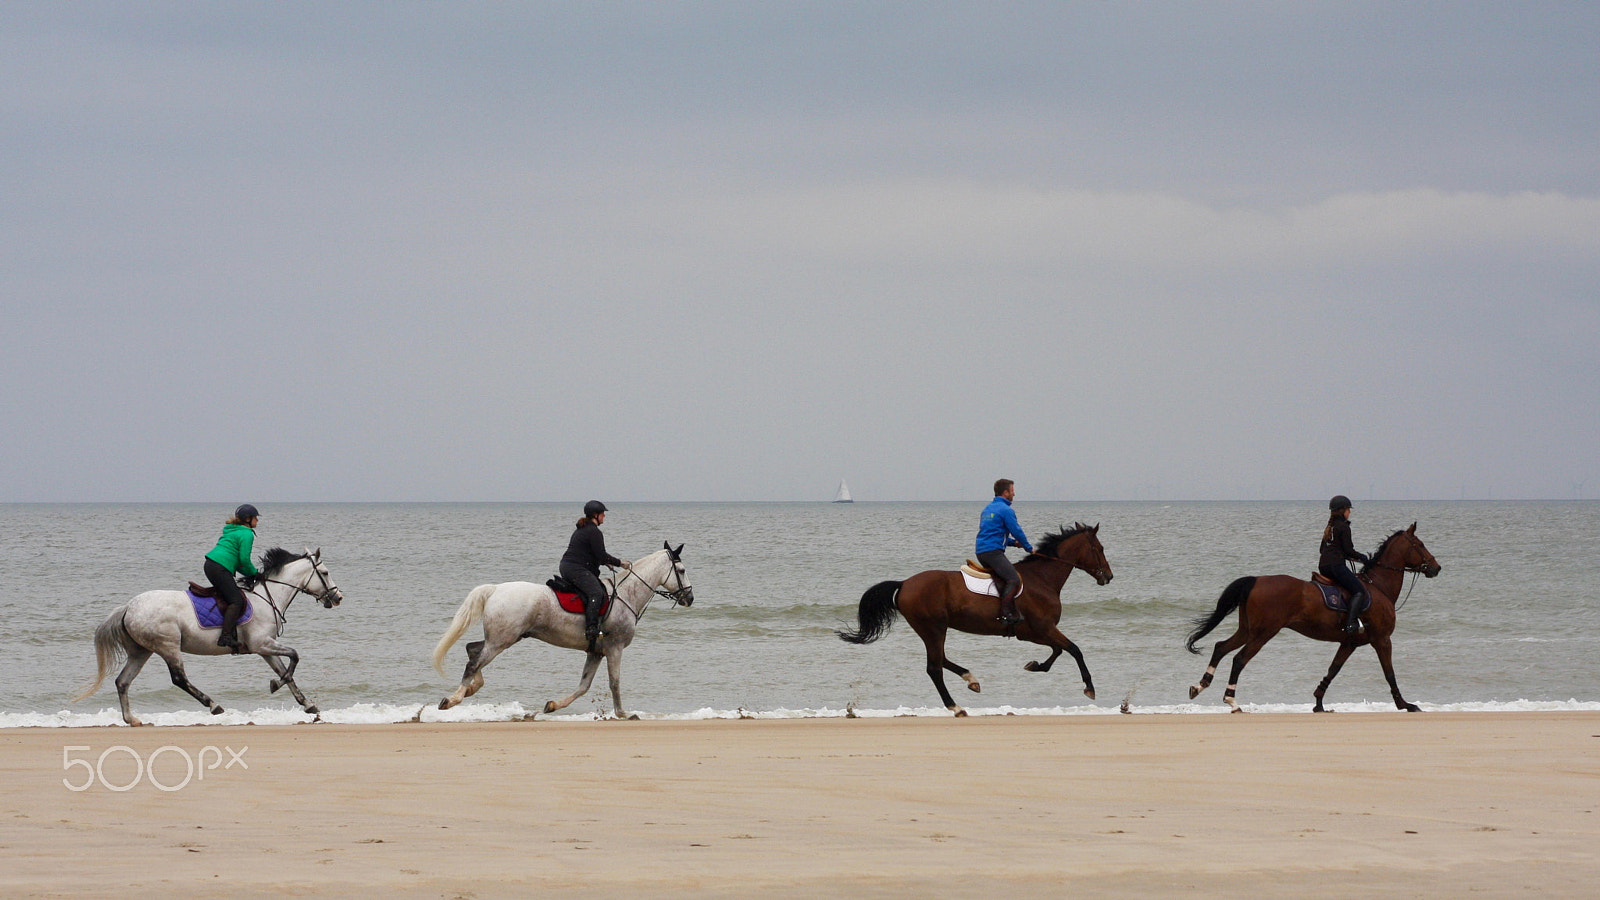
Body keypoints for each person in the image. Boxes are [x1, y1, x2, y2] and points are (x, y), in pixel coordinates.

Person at [559, 500, 630, 650]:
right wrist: (620, 563)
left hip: (569, 567)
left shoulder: (583, 529)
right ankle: (591, 629)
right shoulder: (594, 532)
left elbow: (592, 554)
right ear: (596, 515)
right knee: (596, 593)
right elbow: (601, 555)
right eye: (603, 513)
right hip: (576, 569)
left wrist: (605, 562)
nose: (604, 516)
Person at [975, 479, 1034, 627]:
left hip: (982, 552)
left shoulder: (987, 509)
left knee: (1002, 578)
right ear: (1006, 492)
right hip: (993, 553)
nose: (1014, 494)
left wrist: (1013, 543)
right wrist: (1029, 548)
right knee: (1014, 579)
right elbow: (1016, 530)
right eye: (1012, 491)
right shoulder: (1006, 510)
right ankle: (1007, 613)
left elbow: (993, 534)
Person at [204, 504, 261, 651]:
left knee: (228, 596)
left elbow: (239, 562)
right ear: (248, 519)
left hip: (210, 565)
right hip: (220, 567)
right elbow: (244, 560)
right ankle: (226, 637)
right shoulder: (247, 533)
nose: (257, 521)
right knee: (236, 600)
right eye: (255, 518)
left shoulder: (233, 530)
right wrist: (255, 573)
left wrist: (249, 572)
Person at [1320, 495, 1371, 635]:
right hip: (1336, 566)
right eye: (1348, 509)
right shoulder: (1343, 527)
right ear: (1342, 510)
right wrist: (1363, 558)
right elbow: (1348, 550)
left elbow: (1322, 550)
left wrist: (1344, 555)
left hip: (1323, 567)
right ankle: (1350, 624)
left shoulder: (1329, 527)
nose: (1350, 512)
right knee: (1359, 590)